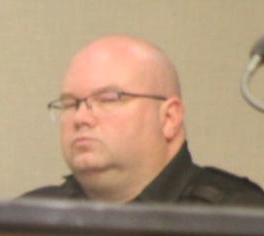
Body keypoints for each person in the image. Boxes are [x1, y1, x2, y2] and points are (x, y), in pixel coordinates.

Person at [23, 35, 264, 205]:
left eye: (109, 99)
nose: (81, 117)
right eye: (69, 104)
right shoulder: (27, 221)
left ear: (169, 118)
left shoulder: (239, 218)